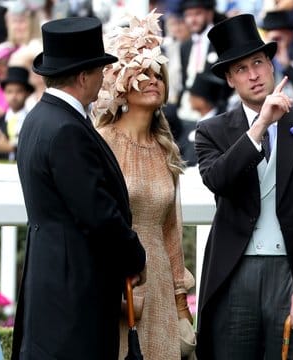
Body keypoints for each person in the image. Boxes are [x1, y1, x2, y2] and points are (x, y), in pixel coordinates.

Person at [194, 14, 293, 359]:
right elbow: (218, 180)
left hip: (291, 269)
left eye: (258, 62)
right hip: (234, 270)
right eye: (241, 69)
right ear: (230, 79)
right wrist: (260, 126)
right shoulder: (211, 131)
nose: (254, 75)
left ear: (272, 65)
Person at [11, 17, 146, 360]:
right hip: (74, 292)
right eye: (100, 69)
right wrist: (134, 255)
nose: (103, 77)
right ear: (83, 75)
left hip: (50, 281)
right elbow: (97, 214)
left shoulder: (38, 119)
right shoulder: (67, 129)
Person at [93, 12, 195, 360]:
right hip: (118, 282)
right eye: (143, 74)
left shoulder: (167, 148)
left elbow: (171, 231)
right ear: (121, 83)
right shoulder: (102, 141)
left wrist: (182, 306)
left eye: (158, 75)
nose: (153, 80)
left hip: (162, 284)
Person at [0, 66, 33, 160]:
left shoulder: (33, 123)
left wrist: (11, 148)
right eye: (9, 91)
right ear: (4, 93)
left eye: (19, 91)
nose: (14, 96)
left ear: (27, 93)